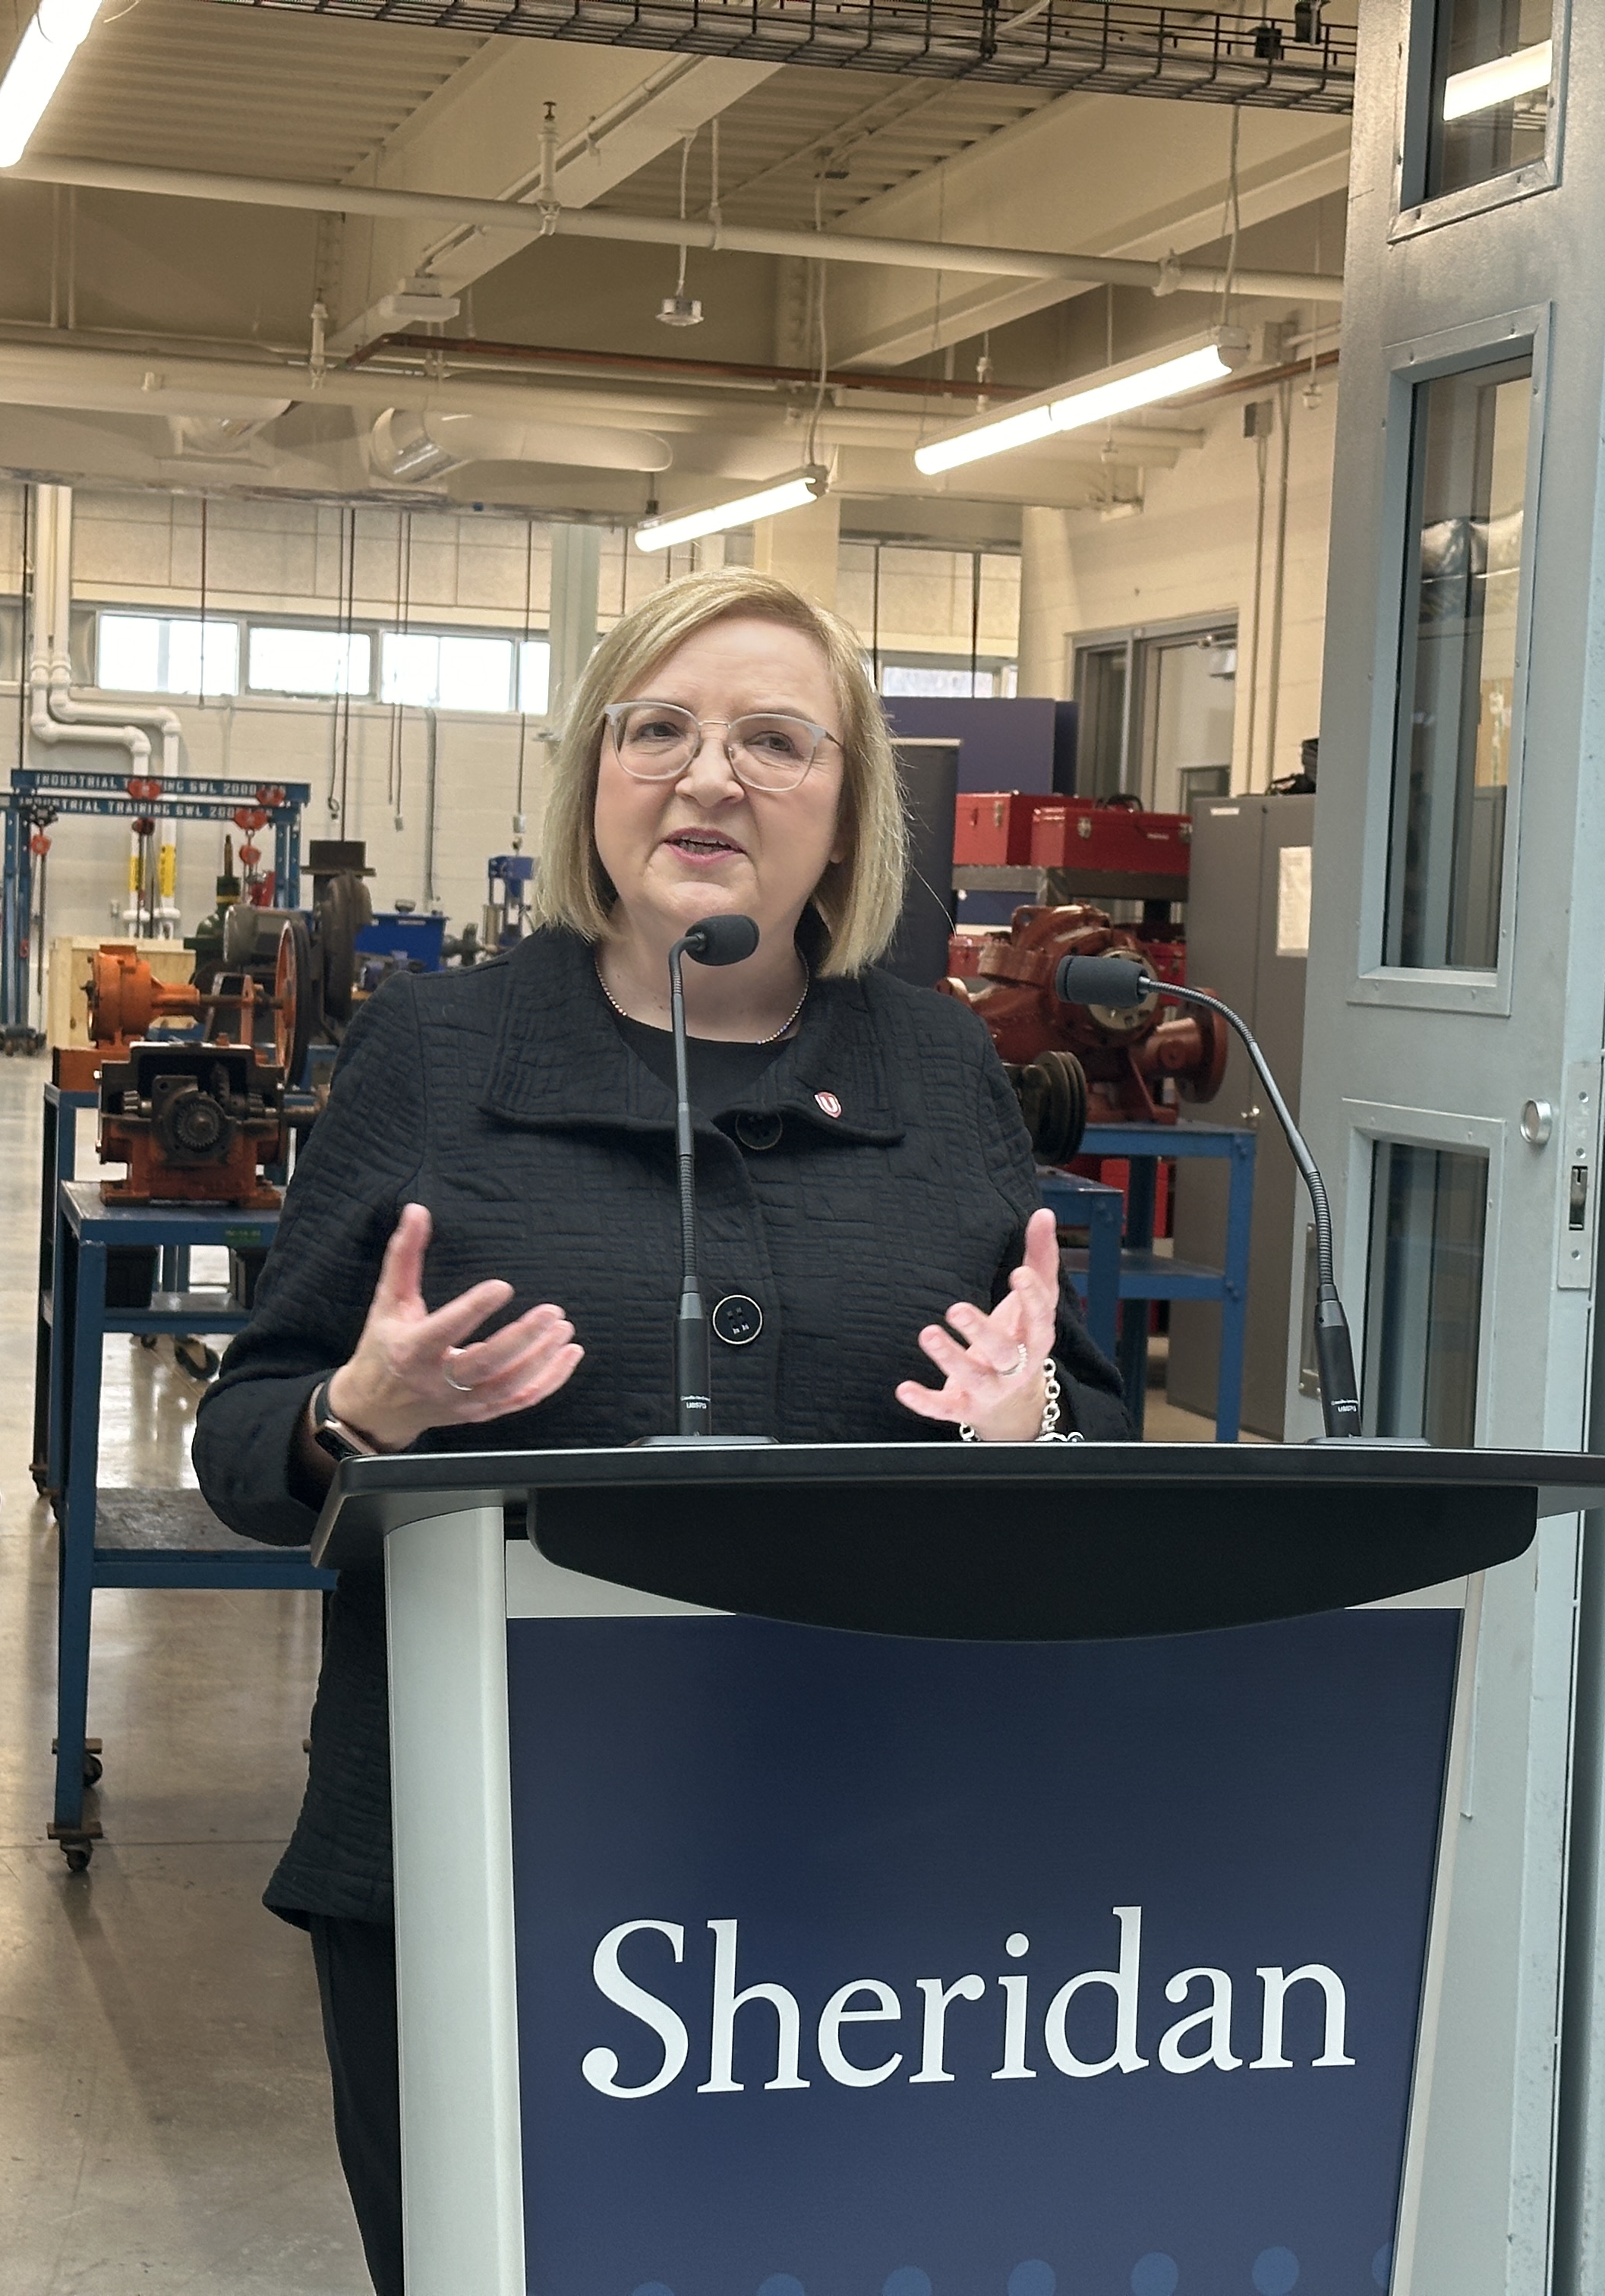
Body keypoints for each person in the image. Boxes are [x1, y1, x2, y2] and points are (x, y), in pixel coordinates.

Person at [192, 564, 1130, 2291]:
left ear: (846, 815)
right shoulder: (439, 1048)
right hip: (473, 1866)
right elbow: (246, 1436)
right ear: (595, 779)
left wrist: (1039, 1424)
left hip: (882, 1884)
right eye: (665, 730)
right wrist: (357, 1415)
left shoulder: (937, 1067)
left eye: (778, 740)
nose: (712, 777)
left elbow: (1097, 1413)